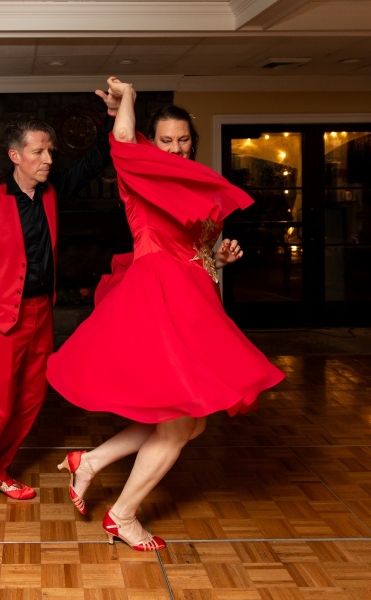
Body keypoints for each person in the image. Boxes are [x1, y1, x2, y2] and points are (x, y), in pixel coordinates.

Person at [47, 77, 285, 552]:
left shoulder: (191, 182)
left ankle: (89, 463)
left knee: (189, 421)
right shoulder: (140, 173)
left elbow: (197, 250)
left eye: (182, 141)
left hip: (194, 299)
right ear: (150, 143)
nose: (175, 149)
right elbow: (121, 140)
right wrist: (128, 101)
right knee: (179, 423)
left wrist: (220, 258)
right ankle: (122, 515)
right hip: (158, 300)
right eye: (165, 141)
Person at [0, 90, 122, 530]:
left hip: (41, 314)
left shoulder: (52, 192)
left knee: (31, 401)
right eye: (39, 151)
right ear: (16, 155)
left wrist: (114, 119)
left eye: (50, 151)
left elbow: (94, 161)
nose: (48, 159)